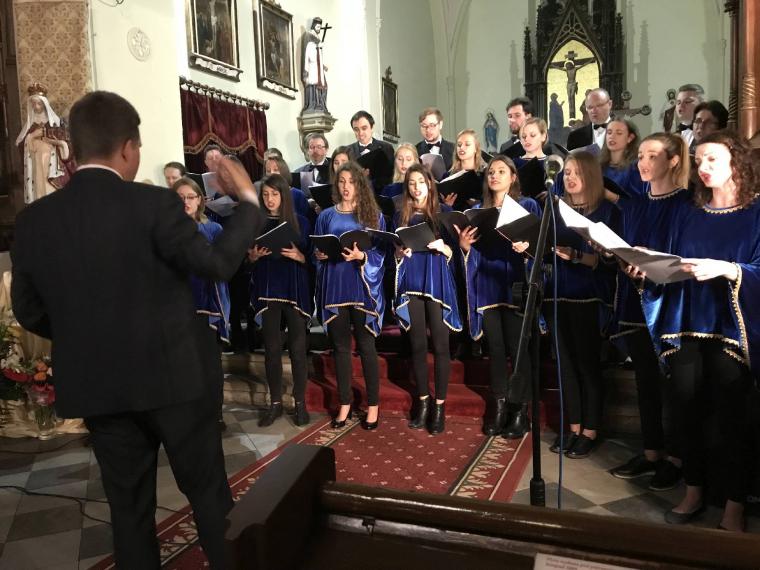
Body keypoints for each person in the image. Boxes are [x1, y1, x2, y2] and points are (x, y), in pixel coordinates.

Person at [10, 91, 263, 569]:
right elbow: (216, 264)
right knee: (209, 496)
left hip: (99, 386)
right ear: (128, 147)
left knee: (128, 513)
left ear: (75, 147)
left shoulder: (34, 221)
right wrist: (248, 201)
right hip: (174, 379)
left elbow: (29, 310)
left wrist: (85, 335)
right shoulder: (154, 204)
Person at [639, 131, 760, 531]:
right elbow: (673, 261)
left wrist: (729, 269)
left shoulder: (756, 212)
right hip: (687, 322)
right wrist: (648, 269)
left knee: (733, 419)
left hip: (732, 329)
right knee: (685, 411)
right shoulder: (689, 212)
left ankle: (734, 505)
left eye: (712, 160)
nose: (703, 168)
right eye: (699, 160)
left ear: (736, 162)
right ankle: (692, 491)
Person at [518, 152, 621, 458]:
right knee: (564, 366)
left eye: (577, 172)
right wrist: (527, 247)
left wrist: (577, 256)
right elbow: (543, 248)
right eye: (568, 172)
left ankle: (590, 430)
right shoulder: (555, 208)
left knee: (587, 365)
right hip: (556, 293)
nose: (570, 177)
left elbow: (612, 263)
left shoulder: (606, 211)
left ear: (591, 175)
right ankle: (573, 427)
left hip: (587, 295)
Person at [606, 132, 692, 492]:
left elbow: (688, 255)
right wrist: (621, 258)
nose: (643, 162)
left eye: (652, 156)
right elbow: (627, 249)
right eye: (640, 156)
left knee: (675, 387)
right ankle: (652, 452)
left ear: (673, 160)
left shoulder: (688, 204)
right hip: (637, 298)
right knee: (645, 381)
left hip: (673, 304)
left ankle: (678, 458)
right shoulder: (635, 205)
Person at [457, 155, 540, 438]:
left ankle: (519, 411)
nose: (494, 175)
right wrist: (465, 246)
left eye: (501, 171)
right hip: (488, 285)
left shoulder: (527, 205)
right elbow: (473, 252)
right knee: (495, 349)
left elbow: (540, 246)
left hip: (515, 282)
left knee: (518, 350)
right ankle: (500, 407)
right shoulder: (478, 210)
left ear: (513, 177)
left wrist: (527, 246)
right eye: (491, 171)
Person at [313, 162, 386, 431]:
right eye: (342, 181)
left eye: (351, 181)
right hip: (335, 286)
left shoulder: (373, 215)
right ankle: (345, 403)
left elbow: (382, 253)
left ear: (360, 185)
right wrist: (319, 255)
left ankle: (373, 405)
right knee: (341, 348)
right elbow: (316, 248)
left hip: (361, 286)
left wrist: (362, 256)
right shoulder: (326, 216)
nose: (346, 186)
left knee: (366, 347)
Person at [393, 164, 461, 434]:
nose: (416, 187)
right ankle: (423, 402)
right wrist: (400, 253)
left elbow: (458, 253)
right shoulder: (401, 214)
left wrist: (444, 248)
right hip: (412, 280)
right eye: (411, 183)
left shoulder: (443, 213)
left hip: (437, 281)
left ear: (430, 184)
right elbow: (395, 250)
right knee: (418, 345)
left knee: (441, 346)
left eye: (421, 181)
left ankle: (439, 406)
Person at [248, 173, 313, 427]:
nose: (270, 199)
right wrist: (252, 258)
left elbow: (313, 258)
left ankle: (300, 403)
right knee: (272, 350)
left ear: (284, 196)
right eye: (265, 195)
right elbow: (247, 260)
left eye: (274, 194)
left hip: (294, 289)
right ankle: (275, 403)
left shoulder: (301, 222)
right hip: (268, 289)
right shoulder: (257, 222)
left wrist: (301, 257)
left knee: (297, 349)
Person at [171, 177, 231, 345]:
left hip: (207, 299)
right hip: (178, 301)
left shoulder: (213, 229)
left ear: (199, 200)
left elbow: (223, 265)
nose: (185, 202)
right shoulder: (166, 230)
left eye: (190, 197)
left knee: (208, 352)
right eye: (180, 197)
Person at [16, 87, 72, 204]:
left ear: (44, 104)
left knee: (51, 190)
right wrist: (30, 137)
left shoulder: (55, 121)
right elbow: (20, 144)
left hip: (51, 161)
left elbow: (63, 140)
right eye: (34, 104)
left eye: (39, 103)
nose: (36, 107)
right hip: (36, 161)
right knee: (40, 187)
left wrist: (48, 138)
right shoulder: (30, 124)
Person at [347, 110, 395, 189]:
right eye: (356, 129)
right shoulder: (347, 151)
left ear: (372, 127)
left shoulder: (386, 148)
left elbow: (392, 175)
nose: (360, 133)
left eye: (364, 128)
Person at [598, 119, 645, 196]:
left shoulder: (636, 168)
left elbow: (638, 199)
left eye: (619, 133)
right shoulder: (599, 165)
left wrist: (611, 196)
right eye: (609, 133)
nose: (612, 136)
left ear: (630, 138)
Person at [445, 128, 486, 211]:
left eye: (467, 144)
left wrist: (479, 204)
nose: (462, 147)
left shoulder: (485, 174)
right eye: (459, 145)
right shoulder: (448, 176)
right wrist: (446, 205)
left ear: (476, 148)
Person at [300, 17, 328, 113]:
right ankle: (313, 104)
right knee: (314, 84)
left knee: (324, 86)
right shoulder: (308, 36)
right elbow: (310, 55)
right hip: (312, 68)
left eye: (320, 27)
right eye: (317, 26)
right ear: (313, 26)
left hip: (319, 68)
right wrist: (318, 47)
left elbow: (319, 56)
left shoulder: (318, 38)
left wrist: (323, 66)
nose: (319, 29)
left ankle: (321, 104)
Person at [673, 83, 705, 148]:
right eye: (678, 102)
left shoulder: (710, 135)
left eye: (687, 102)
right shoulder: (672, 138)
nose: (681, 106)